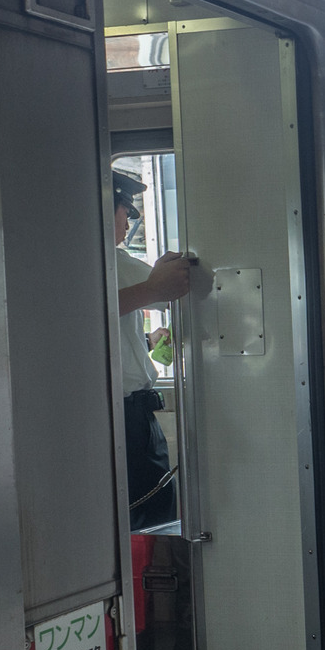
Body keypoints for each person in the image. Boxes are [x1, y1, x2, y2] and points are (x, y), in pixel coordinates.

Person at [113, 170, 192, 528]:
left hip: (126, 415)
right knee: (151, 516)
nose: (128, 221)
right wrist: (156, 285)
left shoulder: (107, 263)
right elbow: (75, 317)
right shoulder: (107, 261)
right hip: (125, 419)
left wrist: (145, 341)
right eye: (126, 212)